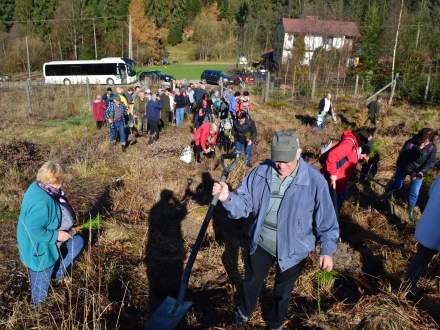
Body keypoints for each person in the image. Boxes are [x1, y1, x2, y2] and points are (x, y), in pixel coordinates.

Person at [212, 131, 339, 330]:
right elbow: (244, 204)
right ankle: (245, 311)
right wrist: (228, 197)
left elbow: (327, 221)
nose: (281, 166)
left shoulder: (315, 181)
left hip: (294, 249)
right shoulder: (260, 173)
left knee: (283, 291)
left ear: (298, 154)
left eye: (287, 162)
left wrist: (327, 250)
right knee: (252, 282)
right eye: (277, 161)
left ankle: (275, 322)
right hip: (262, 242)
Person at [16, 161, 85, 308]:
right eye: (60, 181)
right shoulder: (43, 201)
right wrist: (56, 236)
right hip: (38, 251)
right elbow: (33, 231)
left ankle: (57, 273)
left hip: (41, 242)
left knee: (77, 242)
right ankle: (37, 312)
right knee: (40, 290)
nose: (62, 184)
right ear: (53, 181)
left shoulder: (38, 187)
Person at [384, 128, 437, 221]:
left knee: (415, 192)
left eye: (427, 140)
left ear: (430, 139)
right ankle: (388, 195)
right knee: (397, 184)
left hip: (418, 172)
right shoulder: (410, 143)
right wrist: (412, 172)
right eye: (423, 139)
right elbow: (403, 160)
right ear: (420, 137)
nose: (425, 142)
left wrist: (421, 172)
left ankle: (410, 210)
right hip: (404, 167)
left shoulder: (432, 148)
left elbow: (430, 162)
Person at [320, 127, 373, 212]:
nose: (368, 143)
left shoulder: (355, 143)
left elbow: (349, 155)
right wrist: (333, 174)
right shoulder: (349, 143)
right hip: (332, 181)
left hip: (341, 182)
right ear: (362, 137)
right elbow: (332, 156)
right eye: (368, 140)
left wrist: (360, 157)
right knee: (328, 208)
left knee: (335, 205)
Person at [405, 175, 440, 296]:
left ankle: (409, 284)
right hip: (436, 227)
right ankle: (407, 288)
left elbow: (431, 191)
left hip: (429, 222)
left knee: (422, 256)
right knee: (422, 257)